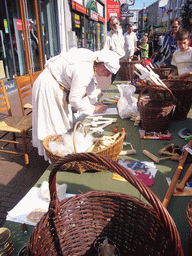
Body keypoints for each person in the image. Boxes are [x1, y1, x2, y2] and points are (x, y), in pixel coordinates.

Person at [32, 48, 120, 160]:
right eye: (109, 73)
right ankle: (54, 157)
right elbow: (74, 99)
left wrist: (95, 102)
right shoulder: (85, 69)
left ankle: (57, 155)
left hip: (51, 84)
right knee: (52, 123)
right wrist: (93, 110)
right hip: (47, 88)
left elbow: (90, 83)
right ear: (103, 66)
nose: (108, 76)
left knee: (58, 122)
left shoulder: (91, 61)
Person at [103, 16, 125, 82]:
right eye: (113, 24)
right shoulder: (108, 37)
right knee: (113, 82)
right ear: (110, 26)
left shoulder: (121, 33)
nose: (116, 26)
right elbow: (105, 51)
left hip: (123, 62)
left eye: (117, 23)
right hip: (114, 63)